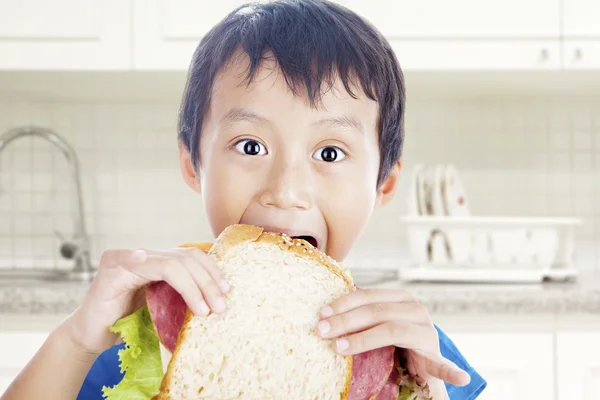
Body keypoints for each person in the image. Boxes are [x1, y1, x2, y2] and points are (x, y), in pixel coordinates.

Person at [1, 1, 486, 399]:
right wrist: (77, 339)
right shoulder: (144, 331)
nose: (286, 190)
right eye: (251, 146)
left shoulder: (408, 348)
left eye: (331, 152)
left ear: (383, 184)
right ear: (193, 163)